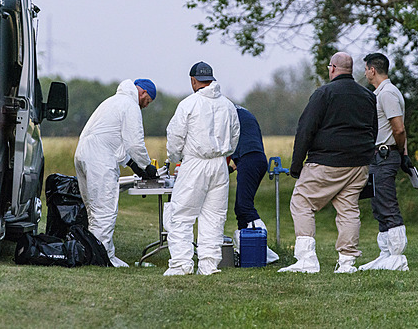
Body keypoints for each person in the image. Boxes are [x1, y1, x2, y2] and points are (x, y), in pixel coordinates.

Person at [279, 52, 377, 274]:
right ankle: (347, 262)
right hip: (358, 163)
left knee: (302, 202)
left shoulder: (324, 93)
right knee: (348, 209)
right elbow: (374, 129)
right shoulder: (367, 96)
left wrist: (296, 166)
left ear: (332, 68)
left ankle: (306, 259)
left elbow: (305, 129)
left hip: (327, 161)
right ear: (350, 70)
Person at [164, 61, 240, 276]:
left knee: (182, 215)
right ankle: (208, 265)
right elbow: (235, 136)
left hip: (195, 163)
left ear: (193, 80)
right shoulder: (228, 105)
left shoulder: (189, 104)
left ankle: (181, 264)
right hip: (220, 165)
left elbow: (176, 136)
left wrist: (175, 157)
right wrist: (225, 153)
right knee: (214, 216)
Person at [74, 78, 159, 268]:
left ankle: (96, 253)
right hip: (99, 160)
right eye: (148, 102)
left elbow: (113, 141)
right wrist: (147, 166)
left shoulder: (112, 102)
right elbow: (135, 143)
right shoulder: (130, 105)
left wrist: (133, 165)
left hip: (82, 155)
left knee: (93, 210)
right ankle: (102, 259)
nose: (146, 106)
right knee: (104, 210)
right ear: (144, 93)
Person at [359, 53, 412, 271]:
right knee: (378, 204)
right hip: (378, 156)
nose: (364, 73)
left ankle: (397, 256)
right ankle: (386, 254)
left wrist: (401, 154)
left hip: (385, 155)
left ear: (372, 70)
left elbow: (398, 128)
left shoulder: (388, 93)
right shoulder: (379, 94)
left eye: (366, 69)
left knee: (387, 204)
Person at [229, 104, 279, 264]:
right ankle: (245, 252)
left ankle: (263, 251)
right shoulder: (242, 112)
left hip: (249, 158)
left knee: (244, 206)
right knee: (240, 207)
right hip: (255, 158)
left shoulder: (225, 113)